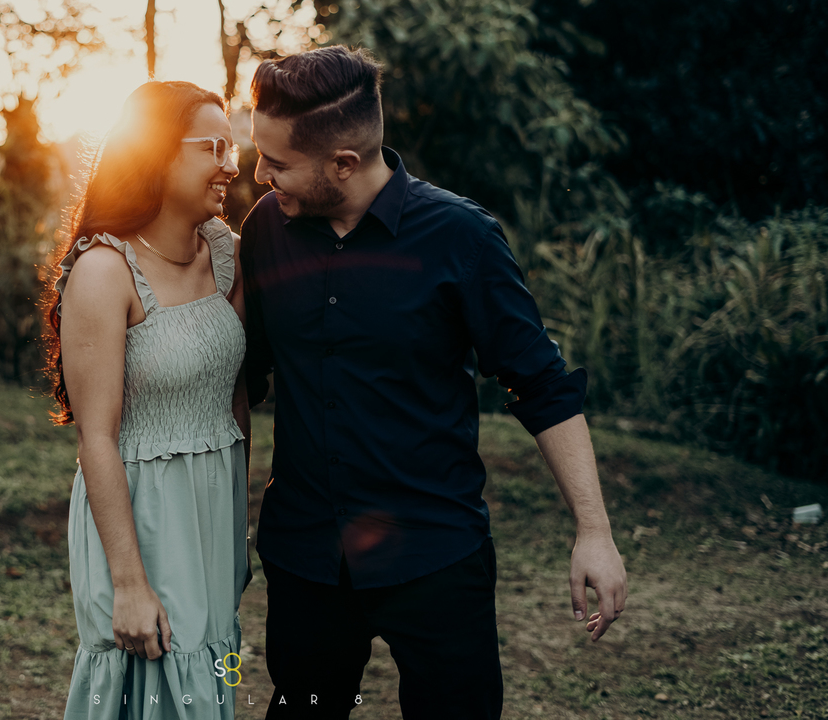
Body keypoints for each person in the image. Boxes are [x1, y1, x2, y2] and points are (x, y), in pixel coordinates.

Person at [239, 46, 628, 720]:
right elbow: (244, 376)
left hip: (436, 554)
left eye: (276, 162)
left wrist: (593, 530)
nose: (258, 173)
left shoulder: (462, 237)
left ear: (343, 164)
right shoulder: (265, 231)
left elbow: (541, 385)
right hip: (306, 554)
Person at [47, 81, 252, 719]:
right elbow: (97, 437)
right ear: (157, 154)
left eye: (233, 147)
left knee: (210, 669)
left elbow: (236, 398)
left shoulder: (227, 254)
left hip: (213, 506)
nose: (230, 163)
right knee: (150, 678)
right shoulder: (104, 270)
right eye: (212, 146)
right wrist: (130, 585)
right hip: (140, 511)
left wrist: (238, 525)